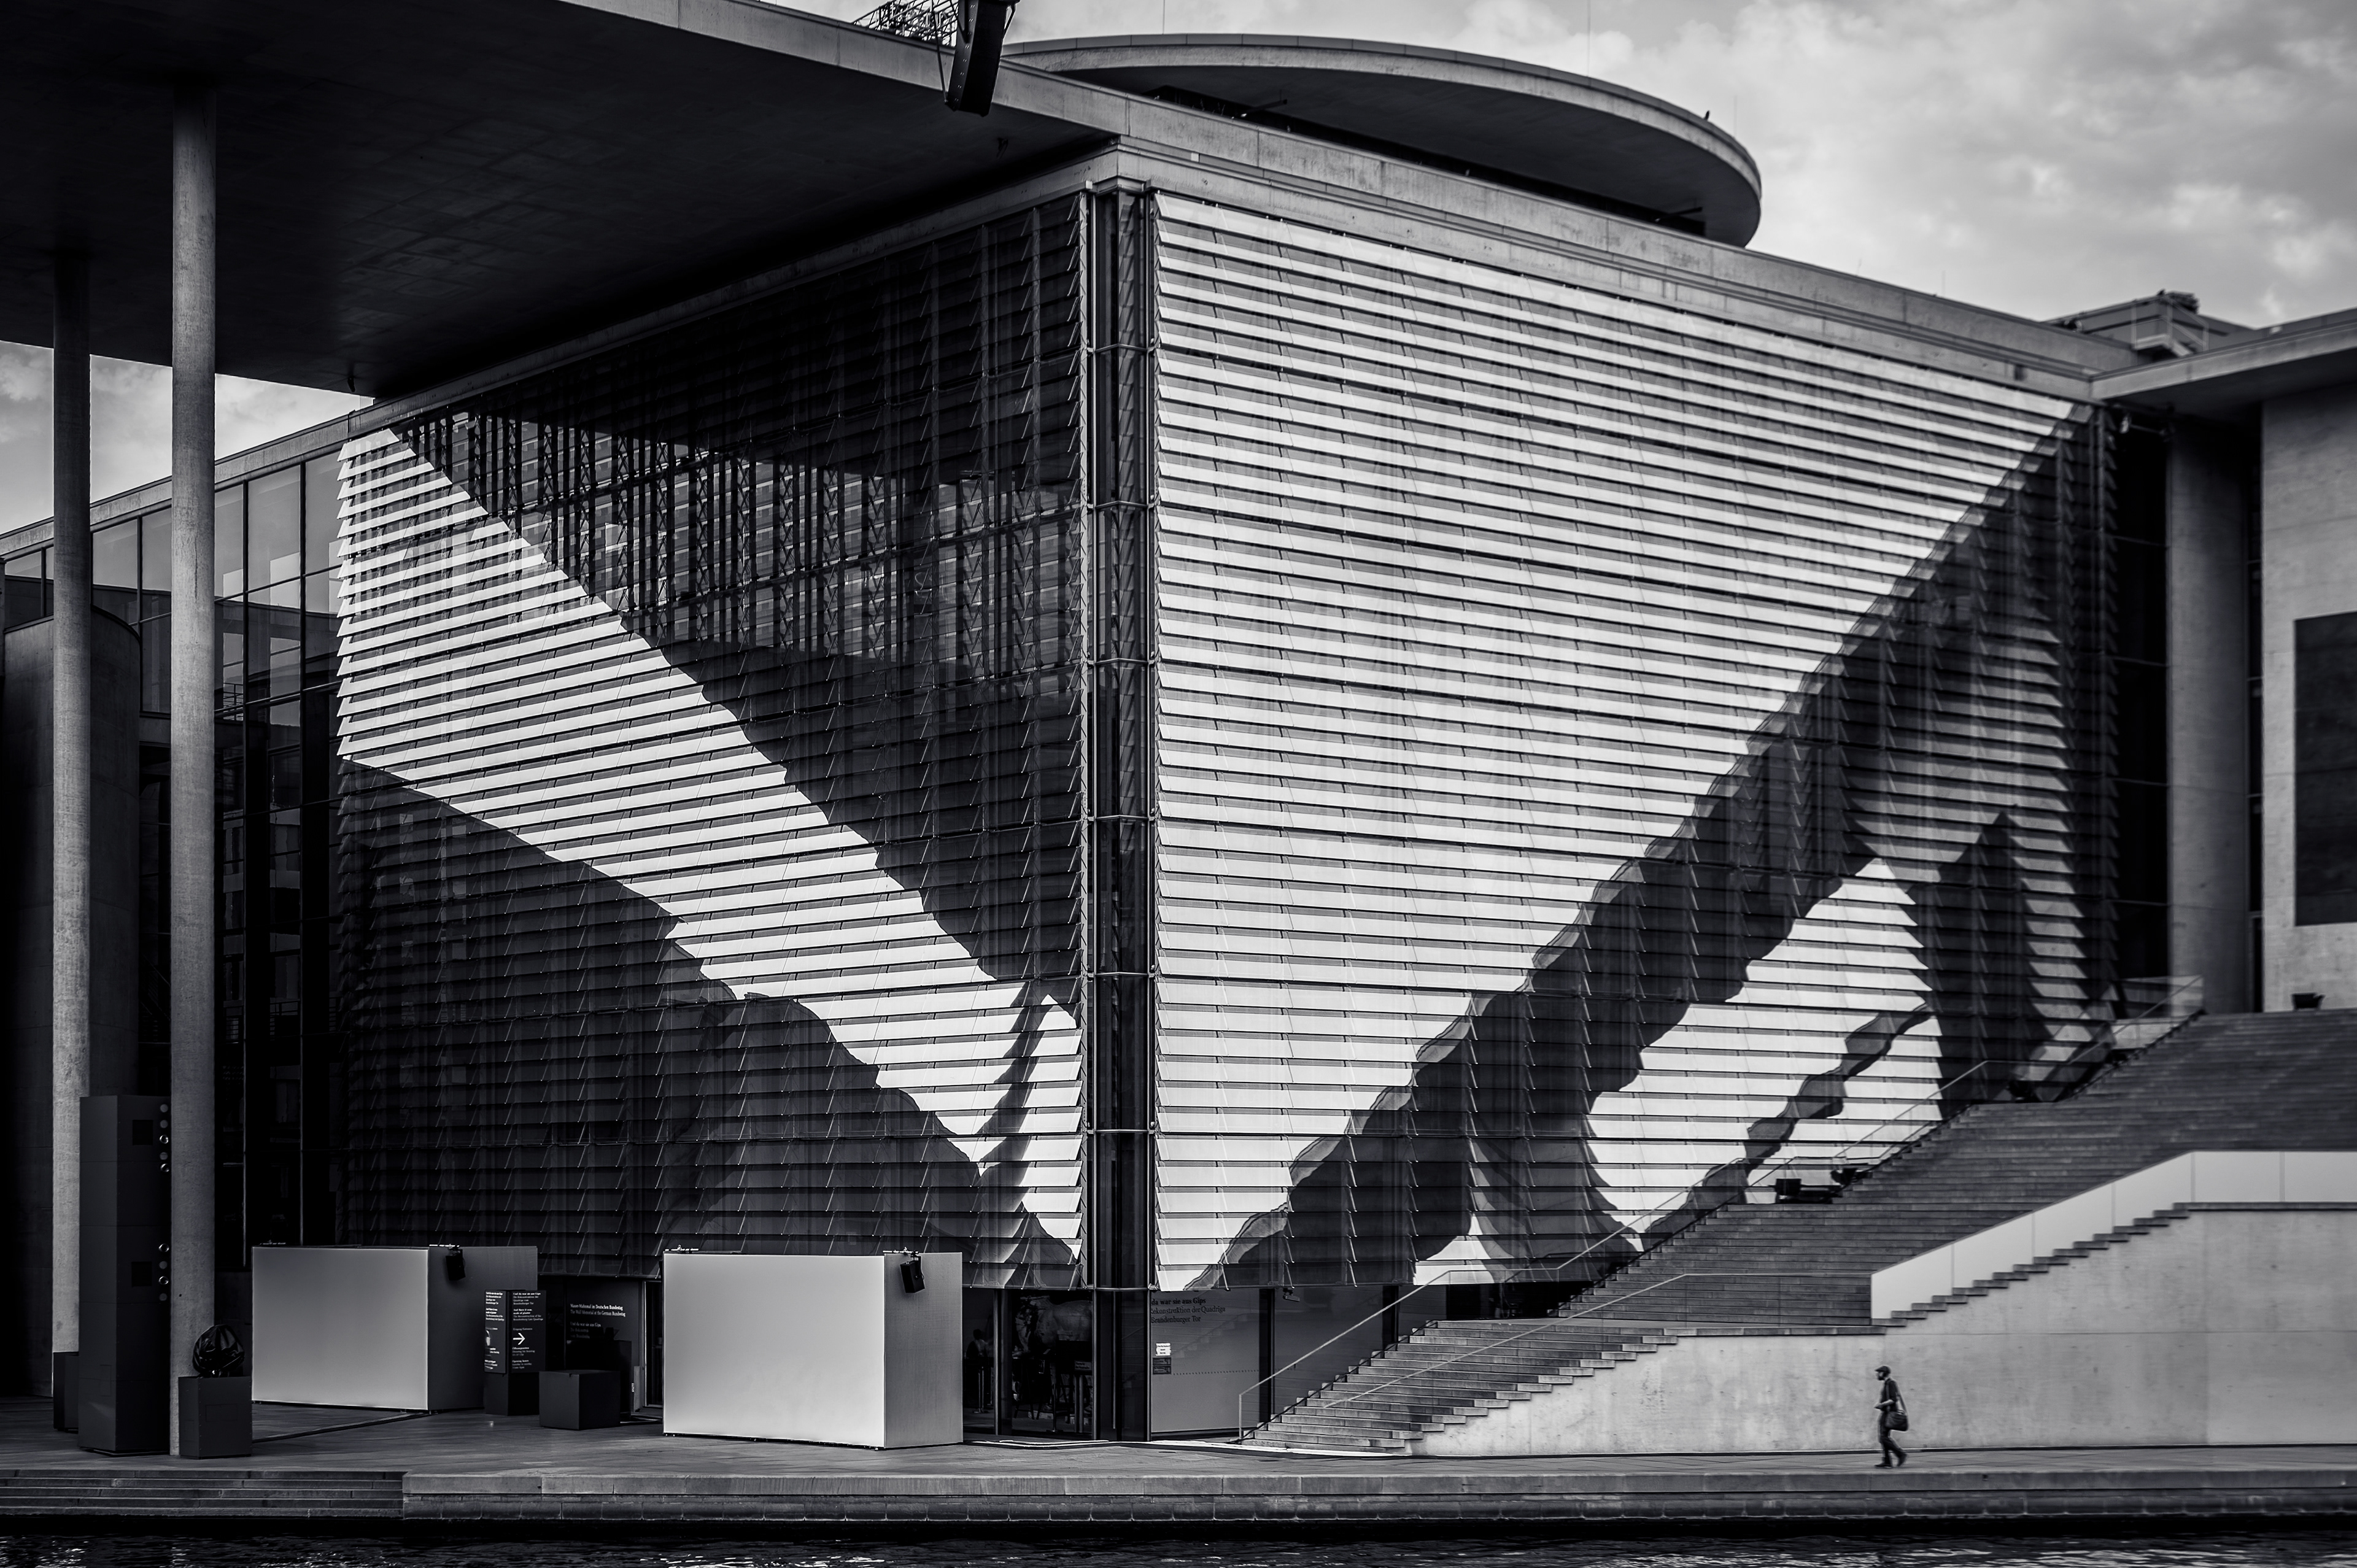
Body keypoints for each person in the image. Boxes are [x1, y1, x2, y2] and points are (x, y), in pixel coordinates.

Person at [1874, 1364, 1908, 1467]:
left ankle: (1901, 1454)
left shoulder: (1891, 1383)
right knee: (1883, 1437)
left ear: (1884, 1373)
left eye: (1879, 1373)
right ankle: (1887, 1461)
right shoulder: (1886, 1384)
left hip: (1889, 1414)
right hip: (1885, 1413)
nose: (1877, 1375)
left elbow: (1894, 1399)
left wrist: (1881, 1405)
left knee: (1883, 1438)